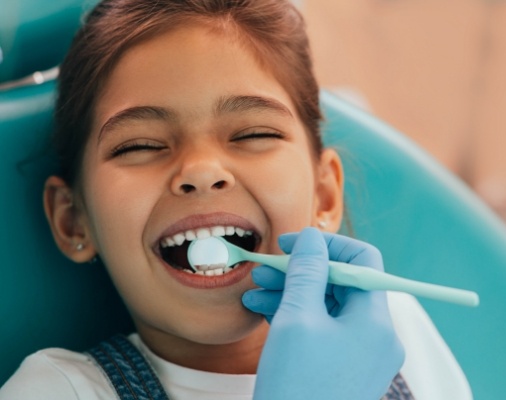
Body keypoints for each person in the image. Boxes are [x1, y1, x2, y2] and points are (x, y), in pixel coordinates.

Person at [0, 0, 472, 398]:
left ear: (324, 194)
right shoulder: (59, 390)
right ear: (73, 221)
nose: (201, 171)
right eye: (140, 145)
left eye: (253, 133)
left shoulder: (392, 331)